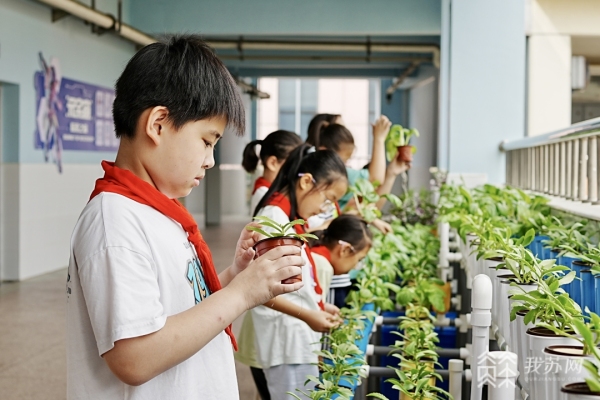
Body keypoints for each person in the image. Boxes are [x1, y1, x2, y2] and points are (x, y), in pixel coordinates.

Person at [66, 35, 305, 400]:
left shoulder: (158, 211)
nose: (209, 160)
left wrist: (234, 277)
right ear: (158, 124)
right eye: (207, 141)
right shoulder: (114, 221)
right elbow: (134, 357)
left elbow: (180, 310)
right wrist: (240, 295)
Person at [250, 144, 347, 399]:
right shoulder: (273, 219)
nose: (325, 210)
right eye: (328, 200)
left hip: (295, 340)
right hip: (286, 342)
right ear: (305, 182)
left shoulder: (289, 220)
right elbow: (259, 290)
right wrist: (308, 315)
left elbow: (292, 283)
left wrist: (318, 306)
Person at [310, 214, 373, 309]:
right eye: (359, 260)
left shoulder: (314, 253)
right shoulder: (323, 267)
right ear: (345, 250)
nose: (355, 266)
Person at [242, 130, 303, 214]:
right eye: (293, 164)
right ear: (273, 163)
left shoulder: (275, 192)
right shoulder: (266, 197)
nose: (296, 171)